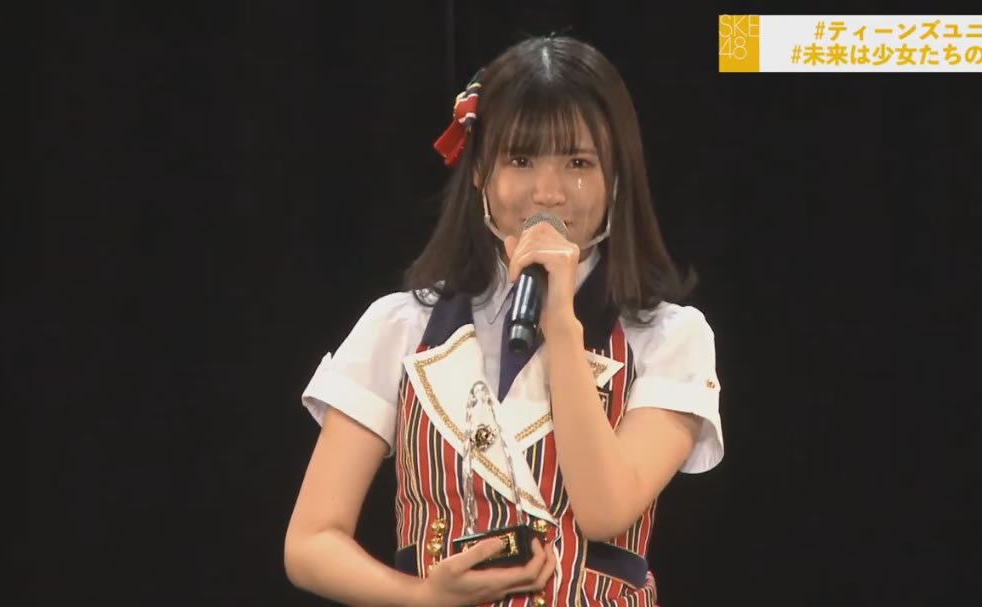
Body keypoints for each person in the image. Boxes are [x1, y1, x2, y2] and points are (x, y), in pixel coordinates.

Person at [284, 34, 724, 607]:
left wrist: (560, 324)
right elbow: (311, 543)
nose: (547, 193)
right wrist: (422, 598)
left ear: (617, 176)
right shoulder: (399, 328)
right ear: (478, 174)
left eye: (578, 163)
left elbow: (605, 509)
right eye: (520, 160)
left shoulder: (669, 338)